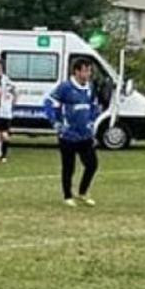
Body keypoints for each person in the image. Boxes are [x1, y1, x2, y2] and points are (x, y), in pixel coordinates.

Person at [44, 57, 101, 207]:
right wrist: (56, 123)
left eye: (90, 71)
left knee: (92, 164)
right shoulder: (65, 87)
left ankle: (82, 192)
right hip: (68, 135)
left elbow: (94, 105)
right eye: (85, 70)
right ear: (76, 71)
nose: (88, 74)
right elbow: (48, 102)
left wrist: (92, 119)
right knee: (69, 167)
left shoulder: (90, 87)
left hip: (85, 135)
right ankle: (67, 195)